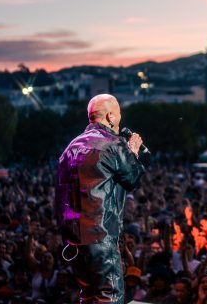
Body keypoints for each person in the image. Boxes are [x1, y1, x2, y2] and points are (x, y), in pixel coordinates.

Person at [56, 94, 146, 303]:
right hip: (100, 234)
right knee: (110, 295)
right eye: (119, 117)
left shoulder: (71, 147)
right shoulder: (112, 144)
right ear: (110, 117)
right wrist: (132, 151)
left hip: (73, 239)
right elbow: (132, 178)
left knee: (88, 295)